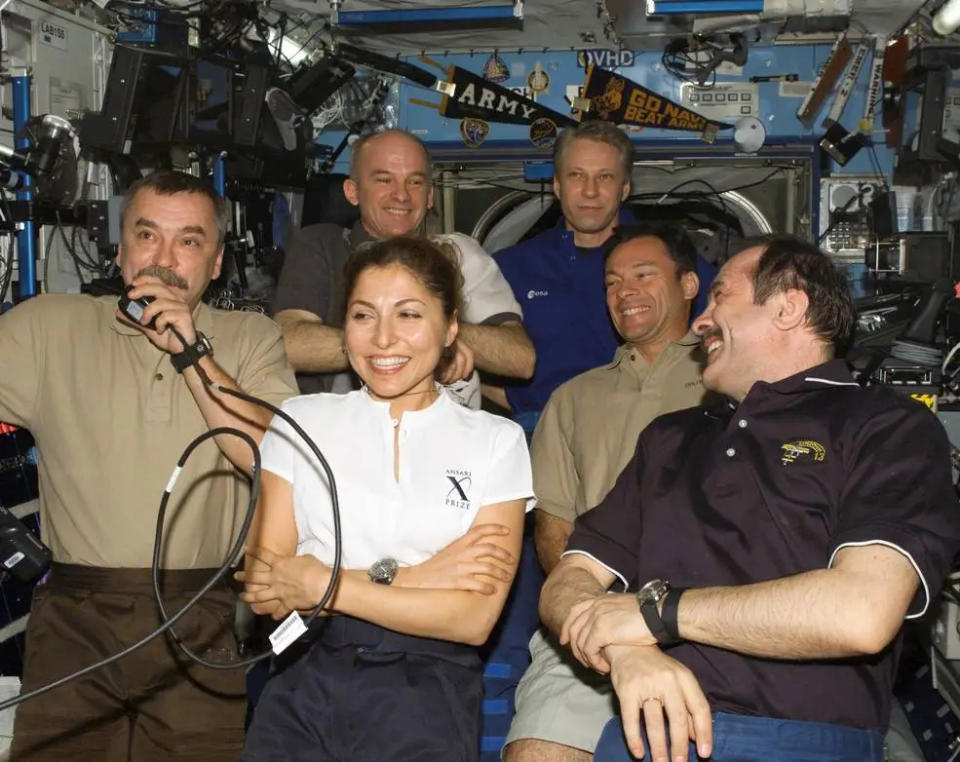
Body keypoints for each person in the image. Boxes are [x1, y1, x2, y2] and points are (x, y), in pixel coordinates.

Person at [539, 234, 960, 762]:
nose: (699, 319)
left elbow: (862, 612)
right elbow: (566, 583)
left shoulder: (886, 427)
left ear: (789, 306)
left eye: (721, 297)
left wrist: (658, 615)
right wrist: (627, 652)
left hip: (798, 738)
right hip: (647, 734)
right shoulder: (670, 439)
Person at [0, 170, 298, 760]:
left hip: (200, 617)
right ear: (120, 249)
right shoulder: (48, 326)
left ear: (215, 264)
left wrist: (192, 352)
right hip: (76, 617)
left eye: (188, 241)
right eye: (146, 236)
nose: (163, 259)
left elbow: (269, 457)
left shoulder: (250, 338)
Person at [238, 236, 535, 761]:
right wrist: (416, 577)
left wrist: (318, 583)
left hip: (428, 694)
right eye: (362, 315)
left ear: (450, 327)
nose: (382, 339)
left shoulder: (495, 441)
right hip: (301, 684)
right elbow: (267, 590)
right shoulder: (301, 422)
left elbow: (471, 620)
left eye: (409, 315)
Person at [504, 224, 713, 762]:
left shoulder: (729, 385)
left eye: (644, 275)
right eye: (613, 282)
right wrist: (601, 622)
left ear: (690, 284)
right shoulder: (572, 399)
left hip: (711, 620)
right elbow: (555, 534)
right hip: (594, 617)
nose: (624, 292)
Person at [272, 129, 534, 401]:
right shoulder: (322, 245)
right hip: (338, 433)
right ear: (352, 191)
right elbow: (288, 343)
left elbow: (520, 358)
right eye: (384, 180)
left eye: (415, 183)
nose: (401, 195)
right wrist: (394, 347)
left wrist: (442, 335)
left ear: (430, 196)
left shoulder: (461, 254)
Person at [489, 121, 715, 433]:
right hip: (543, 426)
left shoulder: (668, 258)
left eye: (605, 177)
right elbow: (458, 350)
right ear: (557, 185)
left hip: (650, 422)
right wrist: (524, 405)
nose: (590, 191)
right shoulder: (512, 267)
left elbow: (730, 333)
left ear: (625, 188)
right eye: (577, 176)